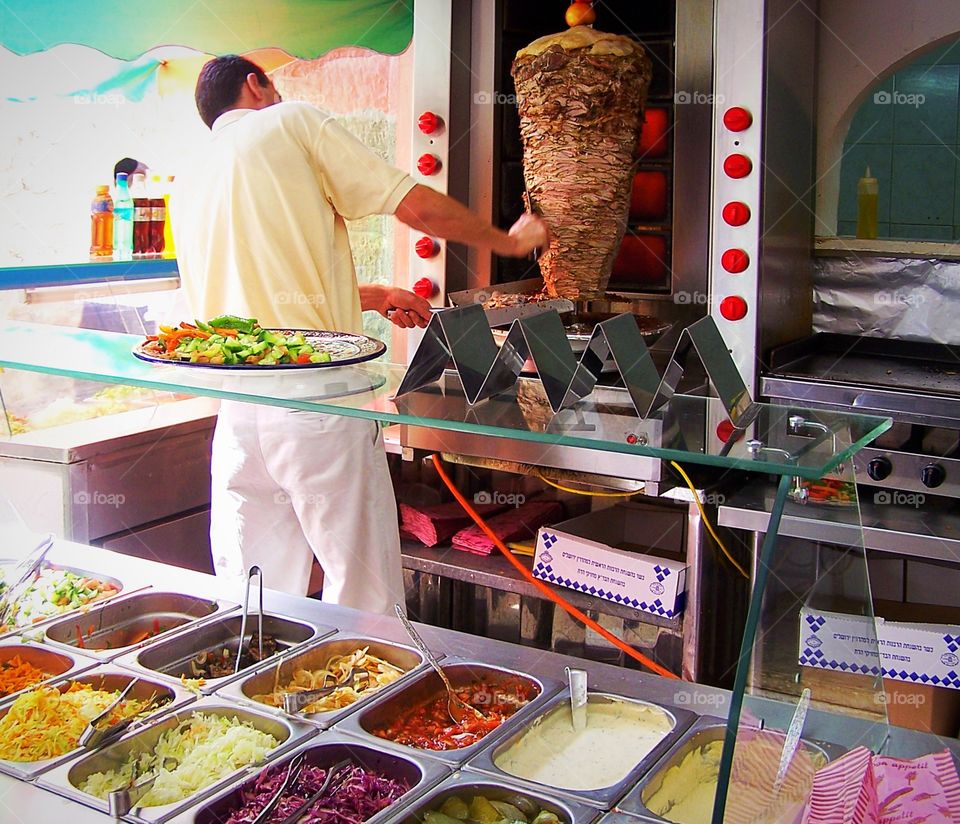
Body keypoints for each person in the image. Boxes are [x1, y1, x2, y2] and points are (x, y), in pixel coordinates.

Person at [172, 55, 549, 616]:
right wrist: (507, 241)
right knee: (362, 593)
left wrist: (375, 296)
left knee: (253, 598)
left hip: (238, 417)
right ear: (256, 85)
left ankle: (258, 697)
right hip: (317, 404)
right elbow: (416, 206)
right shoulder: (290, 121)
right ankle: (366, 702)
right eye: (271, 86)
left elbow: (261, 298)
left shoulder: (191, 172)